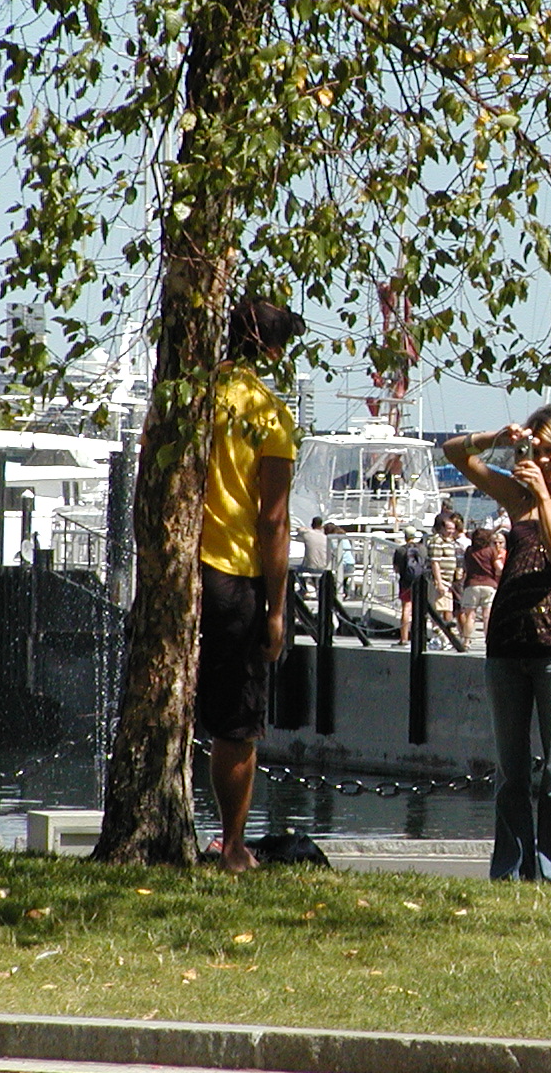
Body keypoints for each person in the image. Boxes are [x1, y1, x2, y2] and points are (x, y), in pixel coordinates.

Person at [443, 405, 551, 885]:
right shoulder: (517, 496)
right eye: (535, 450)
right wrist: (495, 438)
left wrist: (540, 499)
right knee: (510, 772)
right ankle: (513, 872)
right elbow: (454, 453)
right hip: (506, 647)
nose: (542, 459)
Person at [198, 296, 302, 872]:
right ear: (272, 351)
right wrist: (277, 611)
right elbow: (273, 520)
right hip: (235, 575)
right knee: (237, 725)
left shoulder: (191, 395)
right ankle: (233, 845)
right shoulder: (269, 414)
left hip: (185, 569)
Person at [457, 527, 503, 643]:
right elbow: (499, 568)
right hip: (489, 584)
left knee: (470, 615)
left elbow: (465, 567)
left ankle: (466, 641)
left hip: (472, 584)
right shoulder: (491, 551)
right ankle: (488, 641)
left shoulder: (469, 551)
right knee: (487, 615)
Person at [392, 527, 429, 645]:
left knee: (406, 608)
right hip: (420, 582)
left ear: (405, 536)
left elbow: (396, 568)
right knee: (420, 609)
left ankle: (404, 638)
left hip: (406, 582)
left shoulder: (400, 550)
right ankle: (419, 636)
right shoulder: (422, 549)